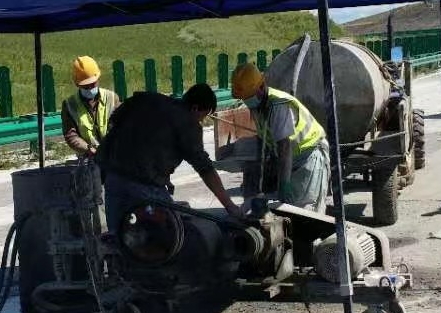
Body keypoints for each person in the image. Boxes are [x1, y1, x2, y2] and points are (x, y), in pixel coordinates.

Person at [95, 84, 247, 231]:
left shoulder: (149, 100)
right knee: (172, 233)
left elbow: (116, 120)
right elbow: (205, 168)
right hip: (144, 185)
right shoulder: (187, 123)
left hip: (113, 178)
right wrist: (230, 206)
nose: (200, 121)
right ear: (195, 108)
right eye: (202, 116)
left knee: (117, 235)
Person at [229, 64, 330, 212]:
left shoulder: (278, 105)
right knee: (283, 208)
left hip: (309, 156)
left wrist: (284, 183)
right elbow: (266, 139)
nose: (247, 101)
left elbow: (285, 146)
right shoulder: (258, 105)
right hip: (290, 158)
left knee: (305, 210)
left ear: (261, 87)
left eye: (249, 97)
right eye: (244, 98)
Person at [61, 56, 119, 158]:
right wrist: (88, 148)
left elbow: (121, 126)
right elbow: (71, 135)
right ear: (77, 84)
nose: (90, 88)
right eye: (85, 86)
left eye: (92, 84)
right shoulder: (70, 105)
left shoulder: (112, 98)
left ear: (98, 79)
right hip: (88, 156)